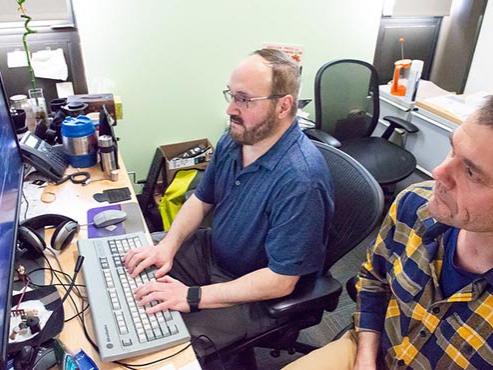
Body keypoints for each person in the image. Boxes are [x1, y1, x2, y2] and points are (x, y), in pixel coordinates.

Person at [124, 49, 334, 360]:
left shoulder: (301, 180)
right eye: (231, 95)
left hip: (257, 291)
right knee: (132, 269)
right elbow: (201, 198)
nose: (230, 109)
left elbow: (280, 280)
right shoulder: (236, 138)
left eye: (244, 99)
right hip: (213, 252)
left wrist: (192, 297)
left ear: (283, 105)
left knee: (163, 347)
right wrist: (167, 245)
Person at [284, 96, 493, 370]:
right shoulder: (415, 205)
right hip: (371, 351)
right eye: (452, 149)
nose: (438, 172)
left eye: (471, 173)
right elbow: (373, 279)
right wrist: (365, 357)